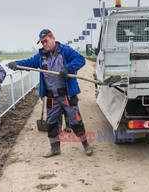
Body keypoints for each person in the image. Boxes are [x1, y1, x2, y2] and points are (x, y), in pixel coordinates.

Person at [7, 29, 93, 157]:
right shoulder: (41, 56)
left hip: (67, 95)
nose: (44, 44)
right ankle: (55, 148)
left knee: (76, 122)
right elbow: (29, 62)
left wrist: (68, 68)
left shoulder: (65, 51)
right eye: (42, 43)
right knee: (52, 123)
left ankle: (86, 144)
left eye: (46, 41)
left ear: (53, 38)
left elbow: (80, 59)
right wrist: (17, 64)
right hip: (52, 97)